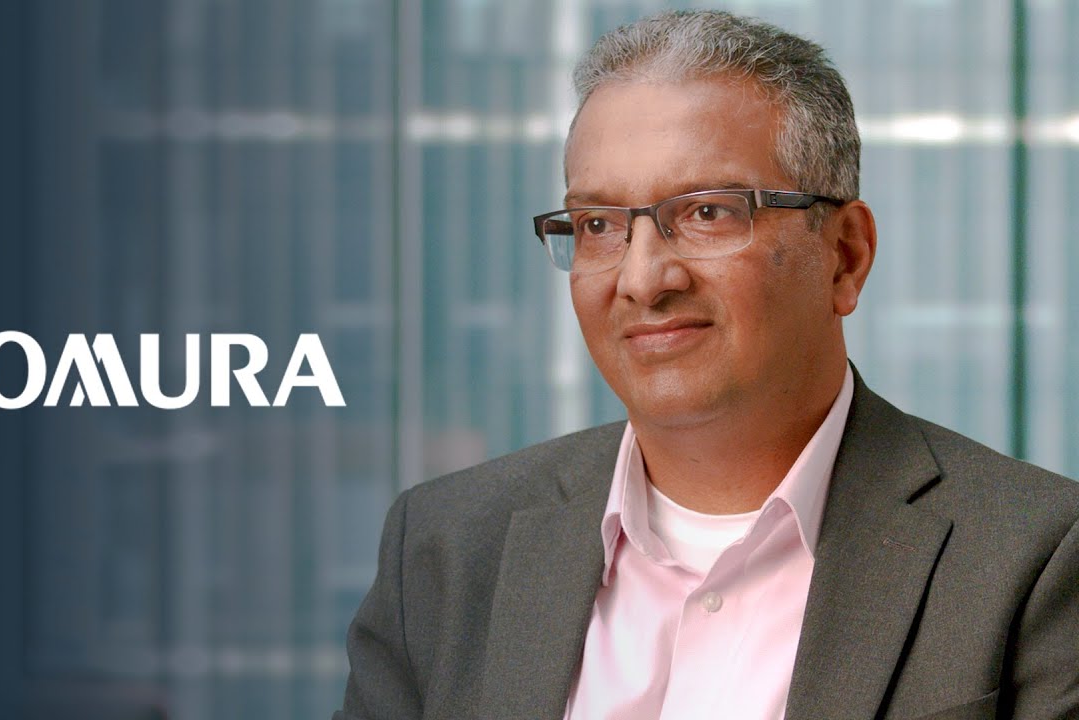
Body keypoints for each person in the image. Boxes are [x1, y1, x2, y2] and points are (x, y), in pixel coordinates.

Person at [337, 10, 1079, 720]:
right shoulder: (447, 545)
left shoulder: (1035, 558)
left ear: (844, 257)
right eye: (598, 226)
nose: (643, 279)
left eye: (708, 212)